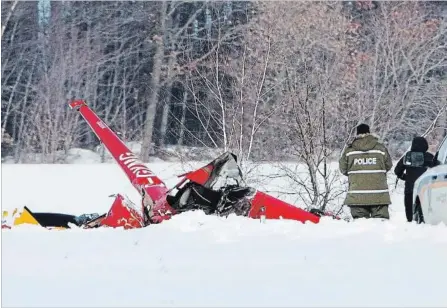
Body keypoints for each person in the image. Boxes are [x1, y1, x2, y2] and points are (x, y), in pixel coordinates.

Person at [339, 123, 393, 220]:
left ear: (357, 134)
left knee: (360, 228)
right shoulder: (380, 148)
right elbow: (388, 165)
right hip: (379, 195)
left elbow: (343, 169)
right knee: (381, 225)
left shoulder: (349, 151)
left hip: (357, 196)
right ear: (369, 133)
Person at [394, 136, 438, 222]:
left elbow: (397, 171)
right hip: (425, 188)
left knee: (409, 209)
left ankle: (410, 221)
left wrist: (405, 177)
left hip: (410, 188)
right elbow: (438, 169)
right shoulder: (429, 157)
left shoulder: (407, 157)